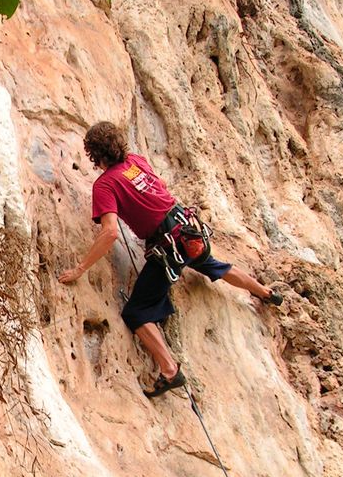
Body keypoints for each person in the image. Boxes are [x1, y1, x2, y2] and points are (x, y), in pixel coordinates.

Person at [59, 121, 283, 398]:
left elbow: (110, 232)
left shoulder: (105, 185)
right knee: (212, 264)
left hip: (168, 245)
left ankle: (169, 369)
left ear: (93, 153)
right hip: (187, 230)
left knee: (136, 312)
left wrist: (80, 269)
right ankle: (264, 292)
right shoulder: (135, 161)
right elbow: (160, 185)